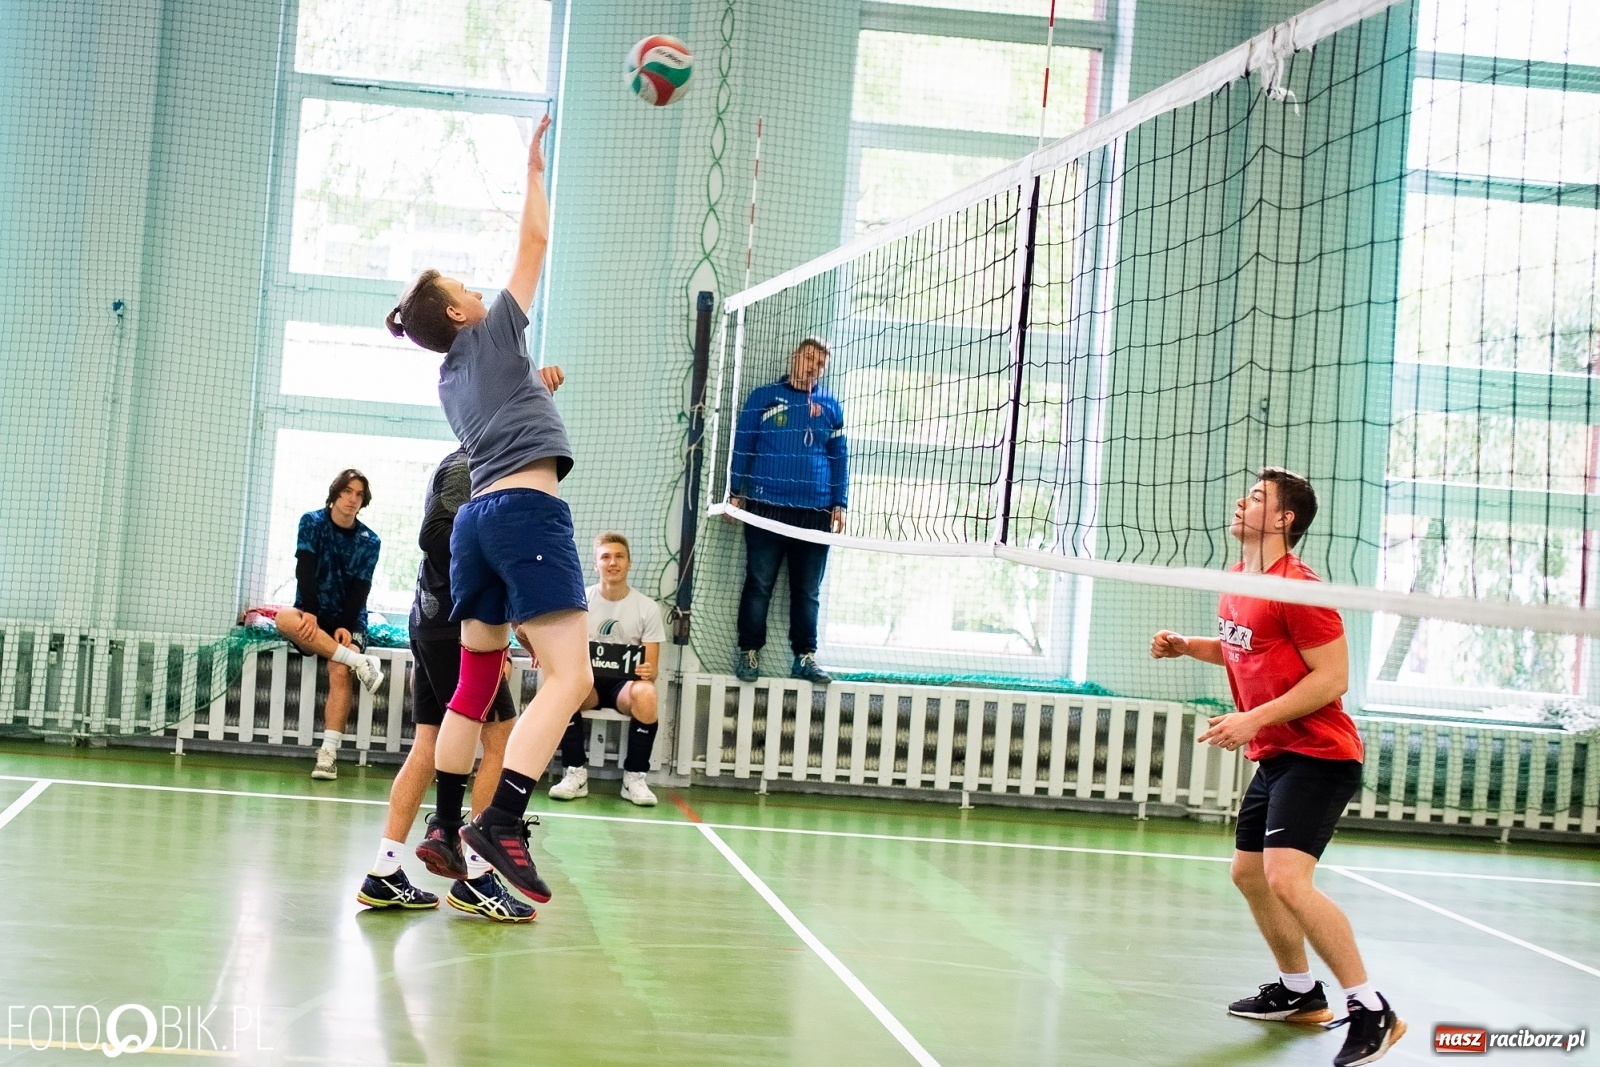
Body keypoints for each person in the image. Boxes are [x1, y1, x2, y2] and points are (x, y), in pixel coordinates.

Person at [384, 113, 588, 906]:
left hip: (475, 529)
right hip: (522, 515)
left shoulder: (450, 377)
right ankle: (500, 819)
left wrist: (538, 388)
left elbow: (508, 412)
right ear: (464, 314)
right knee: (568, 677)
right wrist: (533, 170)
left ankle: (442, 824)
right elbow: (533, 247)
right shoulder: (495, 330)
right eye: (466, 288)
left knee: (473, 686)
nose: (480, 288)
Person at [1149, 468, 1405, 1067]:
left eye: (1259, 497)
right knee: (1249, 875)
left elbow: (1333, 678)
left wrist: (1253, 719)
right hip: (1277, 755)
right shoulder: (1239, 579)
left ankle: (1371, 1009)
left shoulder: (1300, 588)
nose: (1242, 501)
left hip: (1318, 755)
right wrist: (1189, 645)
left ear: (1285, 519)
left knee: (1289, 879)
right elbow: (1245, 646)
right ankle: (1298, 993)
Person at [355, 447, 533, 922]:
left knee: (430, 744)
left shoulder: (492, 463)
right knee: (500, 740)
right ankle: (476, 876)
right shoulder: (468, 464)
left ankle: (385, 871)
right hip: (457, 628)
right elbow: (433, 535)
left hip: (438, 623)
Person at [726, 337, 847, 686]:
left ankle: (804, 657)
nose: (814, 367)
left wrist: (840, 503)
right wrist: (735, 493)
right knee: (758, 583)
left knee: (807, 590)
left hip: (816, 513)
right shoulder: (763, 397)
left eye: (821, 364)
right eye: (810, 358)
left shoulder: (830, 406)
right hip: (766, 508)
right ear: (795, 357)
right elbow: (743, 445)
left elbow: (840, 458)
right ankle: (749, 652)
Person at [275, 468, 386, 780]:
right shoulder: (311, 522)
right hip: (312, 612)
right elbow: (305, 567)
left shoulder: (370, 540)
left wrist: (347, 626)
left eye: (359, 494)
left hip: (348, 619)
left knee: (338, 669)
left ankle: (328, 754)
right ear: (335, 493)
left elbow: (361, 587)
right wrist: (309, 611)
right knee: (284, 618)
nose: (352, 499)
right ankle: (361, 662)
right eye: (347, 491)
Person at [548, 532, 667, 807]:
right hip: (588, 682)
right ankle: (574, 773)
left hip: (623, 686)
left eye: (619, 556)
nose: (613, 562)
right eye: (606, 557)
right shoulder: (581, 601)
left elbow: (652, 669)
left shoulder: (646, 608)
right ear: (596, 564)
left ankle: (635, 778)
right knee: (566, 691)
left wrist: (648, 672)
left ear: (629, 563)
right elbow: (565, 648)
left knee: (647, 694)